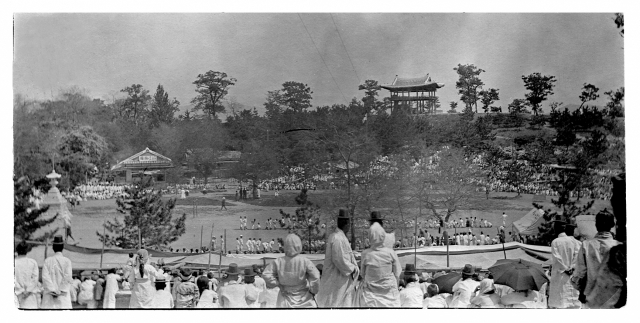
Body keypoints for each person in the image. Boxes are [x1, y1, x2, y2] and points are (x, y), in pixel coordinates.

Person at [571, 210, 621, 308]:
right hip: (614, 296)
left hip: (592, 296)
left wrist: (580, 290)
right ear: (612, 225)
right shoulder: (619, 246)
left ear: (596, 225)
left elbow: (580, 272)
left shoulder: (586, 245)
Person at [315, 209, 359, 308]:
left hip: (340, 282)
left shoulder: (339, 237)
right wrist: (353, 269)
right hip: (335, 283)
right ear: (347, 224)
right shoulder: (337, 238)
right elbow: (339, 260)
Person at [263, 234, 320, 308]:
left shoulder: (278, 261)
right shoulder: (305, 261)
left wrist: (277, 283)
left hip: (284, 297)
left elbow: (266, 274)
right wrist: (313, 290)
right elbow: (316, 276)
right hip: (304, 298)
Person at [355, 222, 401, 307]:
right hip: (390, 296)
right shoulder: (391, 253)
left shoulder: (366, 254)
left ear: (370, 237)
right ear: (383, 236)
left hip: (370, 297)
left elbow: (362, 274)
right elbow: (397, 273)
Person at [548, 223, 582, 309]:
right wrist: (572, 267)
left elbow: (557, 258)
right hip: (572, 274)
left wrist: (564, 268)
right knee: (573, 302)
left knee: (560, 303)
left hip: (560, 275)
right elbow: (577, 255)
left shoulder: (555, 242)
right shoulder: (574, 241)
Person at [41, 235, 73, 309]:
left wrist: (53, 290)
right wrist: (61, 291)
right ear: (63, 247)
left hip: (49, 296)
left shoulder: (47, 261)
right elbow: (67, 277)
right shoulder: (67, 261)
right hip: (63, 296)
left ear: (53, 248)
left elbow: (45, 277)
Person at [14, 241, 39, 309]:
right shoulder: (33, 262)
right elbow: (34, 279)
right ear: (27, 251)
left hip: (16, 295)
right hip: (30, 296)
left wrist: (21, 290)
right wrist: (27, 291)